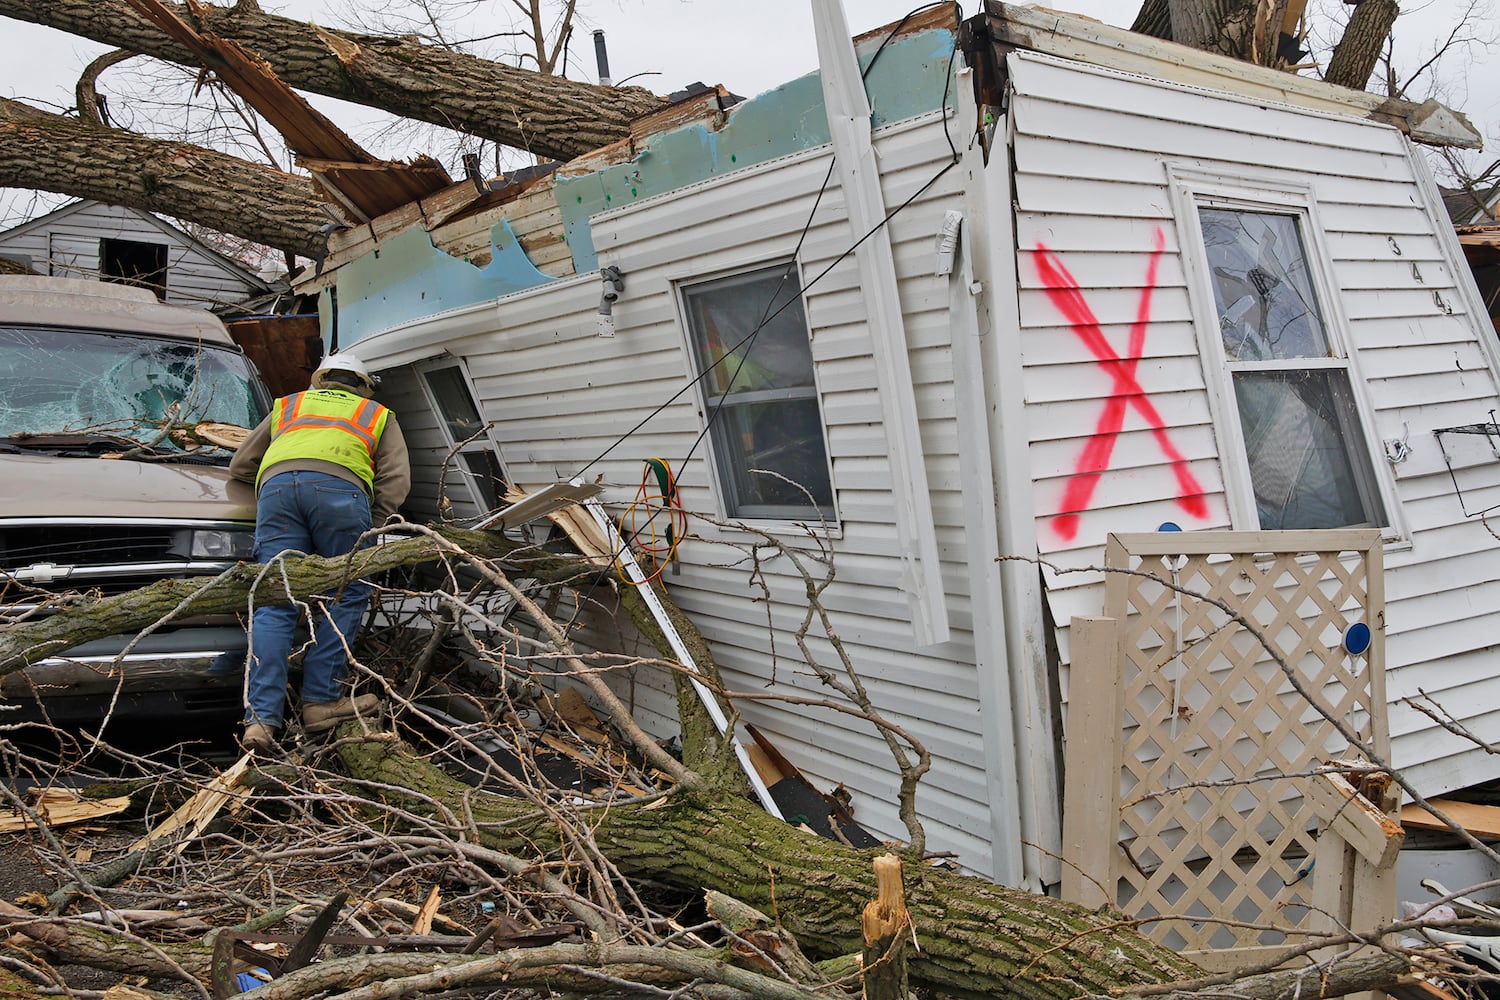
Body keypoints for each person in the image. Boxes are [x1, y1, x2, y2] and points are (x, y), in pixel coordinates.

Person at [229, 352, 411, 753]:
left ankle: (260, 721)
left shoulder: (289, 404)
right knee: (345, 593)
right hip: (341, 495)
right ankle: (320, 702)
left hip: (276, 493)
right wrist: (373, 522)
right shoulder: (376, 413)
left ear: (320, 380)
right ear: (363, 385)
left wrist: (275, 484)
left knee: (277, 601)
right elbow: (396, 478)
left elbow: (241, 465)